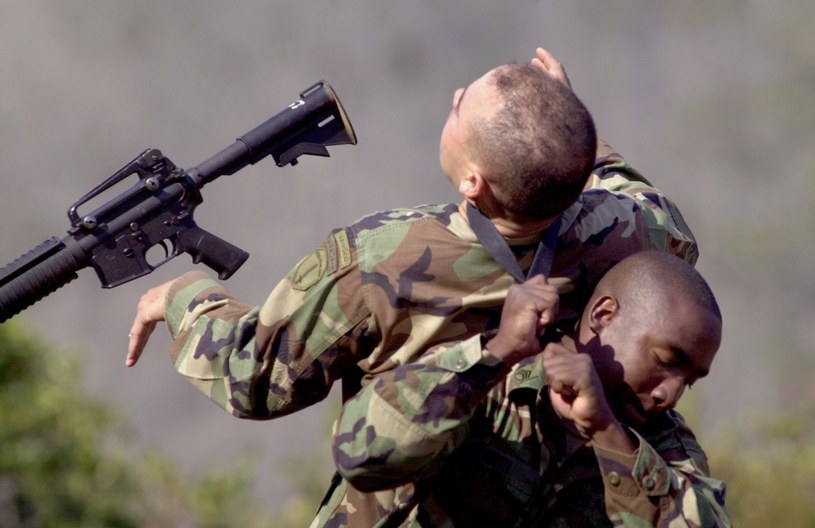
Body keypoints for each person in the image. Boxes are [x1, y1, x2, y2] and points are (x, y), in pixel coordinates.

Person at [125, 48, 695, 427]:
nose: (451, 99)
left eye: (460, 110)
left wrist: (184, 297)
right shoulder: (629, 232)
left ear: (473, 181)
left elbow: (256, 378)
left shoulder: (378, 258)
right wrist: (569, 128)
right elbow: (660, 217)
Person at [327, 251, 729, 527]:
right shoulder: (482, 374)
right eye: (666, 362)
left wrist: (607, 432)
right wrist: (500, 352)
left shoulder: (662, 446)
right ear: (604, 314)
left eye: (689, 380)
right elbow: (360, 454)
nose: (670, 394)